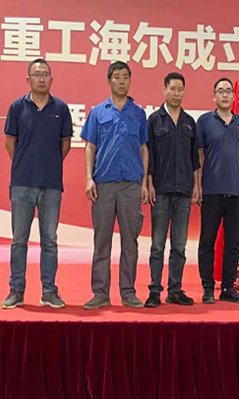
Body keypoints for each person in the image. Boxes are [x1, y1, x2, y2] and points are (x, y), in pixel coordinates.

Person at [1, 58, 73, 310]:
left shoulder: (60, 108)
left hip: (51, 185)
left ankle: (49, 291)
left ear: (51, 79)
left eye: (45, 74)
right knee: (19, 239)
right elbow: (10, 142)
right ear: (28, 79)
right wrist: (25, 164)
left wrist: (48, 164)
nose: (41, 79)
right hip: (22, 184)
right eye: (36, 74)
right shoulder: (17, 107)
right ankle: (16, 290)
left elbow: (65, 144)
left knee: (49, 240)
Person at [81, 61, 150, 310]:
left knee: (130, 242)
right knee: (102, 241)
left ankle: (128, 292)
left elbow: (144, 149)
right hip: (104, 184)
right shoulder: (98, 112)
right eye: (117, 77)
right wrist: (89, 178)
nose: (121, 81)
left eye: (125, 77)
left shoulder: (138, 113)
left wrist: (144, 183)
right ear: (108, 81)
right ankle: (100, 293)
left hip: (131, 185)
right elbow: (90, 147)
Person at [144, 72, 200, 308]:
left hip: (184, 191)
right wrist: (148, 183)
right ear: (164, 90)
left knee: (179, 246)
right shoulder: (154, 120)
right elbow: (149, 156)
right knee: (157, 245)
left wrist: (197, 185)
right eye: (172, 89)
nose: (176, 94)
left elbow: (194, 159)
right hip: (161, 190)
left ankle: (175, 290)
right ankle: (154, 291)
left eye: (180, 90)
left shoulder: (189, 122)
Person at [197, 78, 239, 304]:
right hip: (211, 192)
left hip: (237, 192)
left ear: (233, 96)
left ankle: (228, 287)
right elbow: (199, 155)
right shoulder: (204, 122)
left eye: (228, 91)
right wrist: (197, 185)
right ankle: (207, 287)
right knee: (207, 241)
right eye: (220, 91)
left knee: (232, 243)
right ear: (214, 96)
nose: (224, 94)